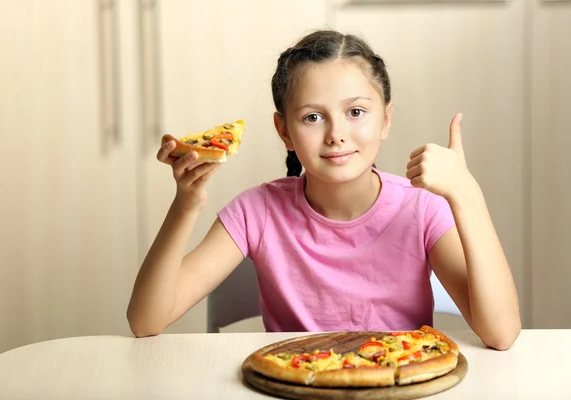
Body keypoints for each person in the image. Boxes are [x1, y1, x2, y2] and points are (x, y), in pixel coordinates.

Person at [126, 29, 521, 350]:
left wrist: (466, 195)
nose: (336, 135)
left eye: (355, 112)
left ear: (386, 119)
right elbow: (146, 321)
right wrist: (186, 204)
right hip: (293, 386)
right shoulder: (257, 211)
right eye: (313, 117)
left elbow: (501, 334)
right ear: (285, 132)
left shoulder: (421, 209)